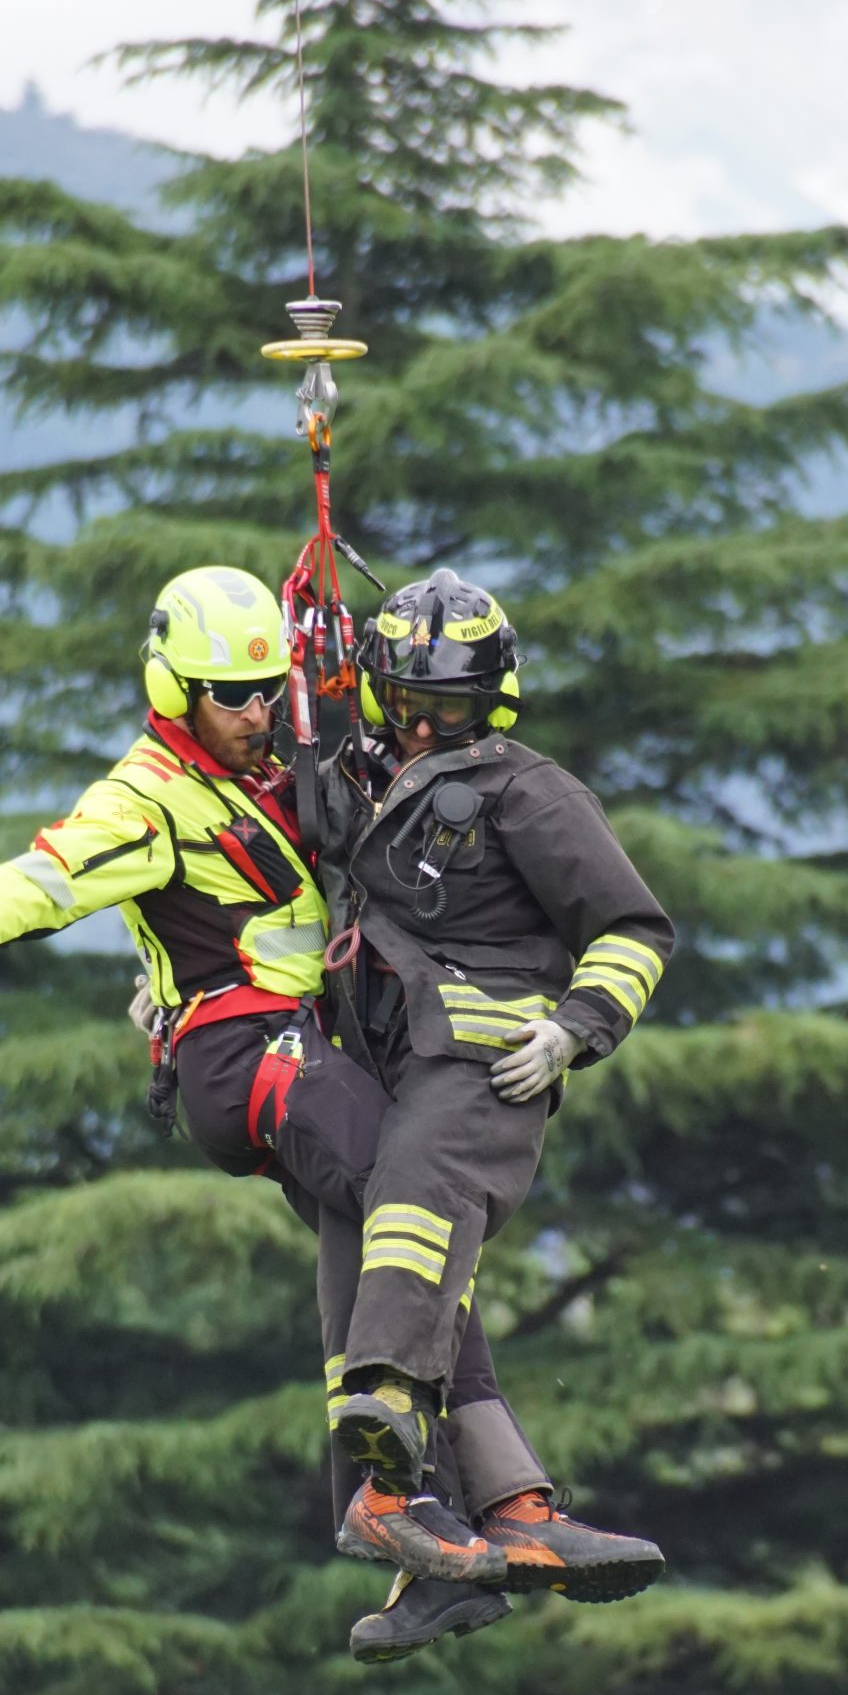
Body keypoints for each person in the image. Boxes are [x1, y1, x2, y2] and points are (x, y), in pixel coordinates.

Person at [0, 563, 654, 1662]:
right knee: (421, 1201)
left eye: (269, 689)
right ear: (176, 692)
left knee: (390, 1251)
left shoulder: (273, 768)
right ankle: (420, 1500)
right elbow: (48, 878)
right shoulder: (148, 795)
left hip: (295, 1044)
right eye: (231, 693)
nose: (259, 712)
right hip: (249, 1058)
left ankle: (471, 1535)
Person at [317, 568, 675, 1599]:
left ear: (494, 701)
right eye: (410, 704)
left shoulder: (530, 789)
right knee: (382, 1233)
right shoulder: (361, 781)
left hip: (487, 1062)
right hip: (387, 1057)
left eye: (451, 709)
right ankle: (475, 1537)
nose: (427, 726)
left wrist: (577, 1028)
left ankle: (384, 1397)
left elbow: (634, 926)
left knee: (419, 1195)